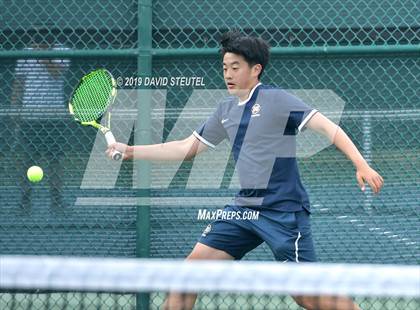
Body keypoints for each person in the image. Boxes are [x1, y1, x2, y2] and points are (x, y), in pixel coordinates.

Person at [106, 31, 384, 310]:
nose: (228, 74)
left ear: (256, 69)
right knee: (186, 276)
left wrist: (360, 163)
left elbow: (327, 126)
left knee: (307, 296)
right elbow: (186, 148)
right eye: (225, 67)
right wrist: (130, 151)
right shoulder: (225, 109)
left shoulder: (276, 99)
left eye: (235, 67)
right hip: (244, 209)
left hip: (283, 211)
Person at [11, 43, 70, 211]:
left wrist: (41, 54)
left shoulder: (62, 51)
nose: (40, 38)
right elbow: (18, 84)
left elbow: (56, 73)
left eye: (45, 34)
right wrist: (15, 109)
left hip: (53, 116)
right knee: (27, 160)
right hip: (30, 116)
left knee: (55, 160)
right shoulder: (25, 53)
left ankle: (57, 200)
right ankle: (25, 199)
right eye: (36, 35)